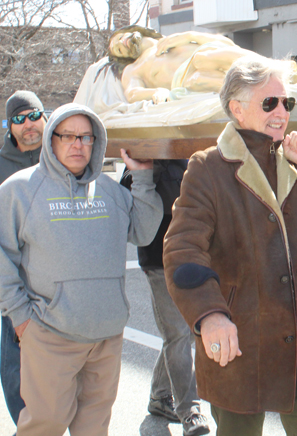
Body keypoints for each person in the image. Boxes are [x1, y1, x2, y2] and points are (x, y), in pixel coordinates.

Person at [162, 55, 297, 436]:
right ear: (237, 108)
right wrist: (211, 315)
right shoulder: (208, 167)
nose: (281, 111)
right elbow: (183, 250)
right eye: (270, 102)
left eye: (287, 103)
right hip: (242, 345)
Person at [0, 103, 163, 435]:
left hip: (106, 337)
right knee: (44, 426)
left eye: (86, 138)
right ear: (52, 139)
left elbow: (144, 231)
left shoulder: (111, 192)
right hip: (50, 334)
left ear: (96, 142)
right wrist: (20, 316)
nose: (78, 145)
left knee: (94, 427)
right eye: (69, 136)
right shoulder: (19, 190)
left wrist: (143, 178)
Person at [120, 160, 210, 436]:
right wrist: (142, 169)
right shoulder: (143, 156)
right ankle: (190, 410)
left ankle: (160, 398)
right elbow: (129, 205)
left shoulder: (189, 158)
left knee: (177, 333)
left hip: (193, 257)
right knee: (179, 335)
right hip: (158, 260)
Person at [106, 25, 297, 103]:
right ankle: (269, 87)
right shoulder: (133, 69)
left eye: (119, 38)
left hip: (205, 54)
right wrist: (157, 92)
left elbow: (215, 40)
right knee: (199, 80)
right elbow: (133, 93)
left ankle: (288, 74)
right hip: (183, 79)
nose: (121, 44)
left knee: (206, 58)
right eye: (118, 49)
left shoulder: (171, 38)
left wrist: (185, 37)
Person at [0, 90, 47, 425]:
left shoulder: (63, 154)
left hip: (56, 277)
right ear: (9, 126)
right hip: (13, 278)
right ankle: (26, 426)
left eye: (33, 115)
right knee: (16, 362)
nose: (27, 124)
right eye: (18, 119)